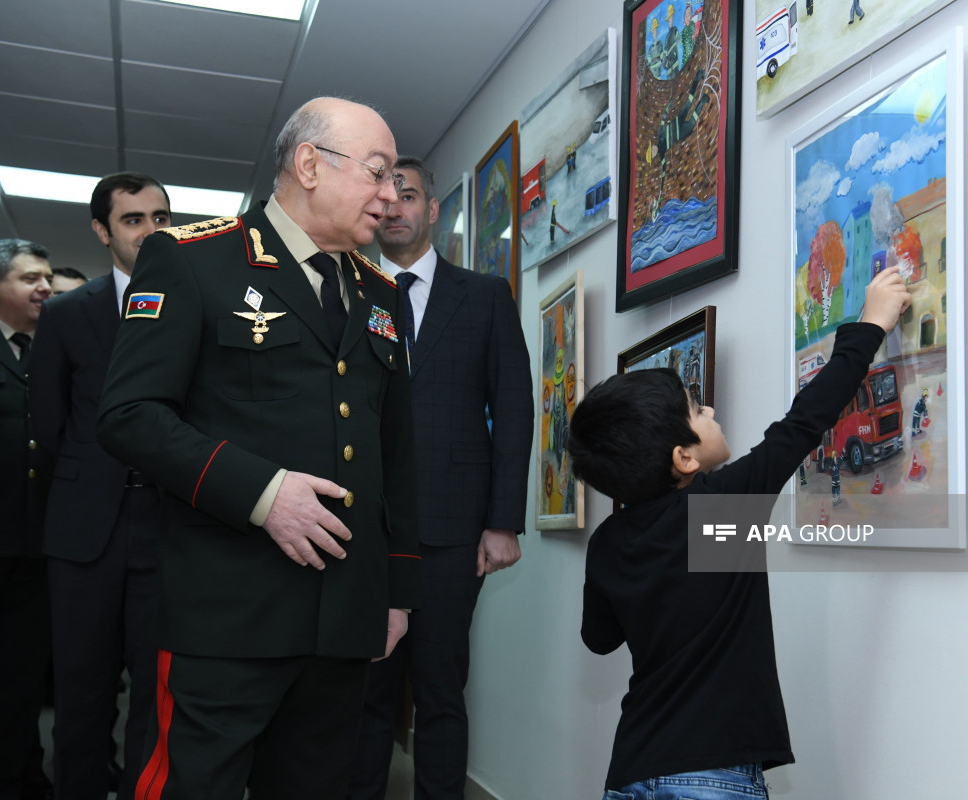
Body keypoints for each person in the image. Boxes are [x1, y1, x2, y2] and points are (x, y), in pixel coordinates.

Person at [95, 97, 421, 799]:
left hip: (342, 616)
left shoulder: (381, 294)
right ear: (309, 164)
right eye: (377, 172)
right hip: (225, 612)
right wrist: (265, 494)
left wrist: (395, 595)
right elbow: (128, 415)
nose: (392, 196)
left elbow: (397, 454)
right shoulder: (193, 261)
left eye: (394, 179)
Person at [568, 267, 911, 800]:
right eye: (694, 408)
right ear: (683, 457)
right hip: (715, 774)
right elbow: (804, 423)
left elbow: (600, 639)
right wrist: (871, 322)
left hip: (632, 769)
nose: (708, 409)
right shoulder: (717, 511)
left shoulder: (609, 542)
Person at [348, 157, 533, 800]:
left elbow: (513, 408)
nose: (393, 205)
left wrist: (503, 521)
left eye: (408, 194)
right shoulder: (346, 291)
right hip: (361, 527)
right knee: (364, 690)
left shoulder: (483, 296)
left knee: (440, 689)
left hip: (454, 528)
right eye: (382, 194)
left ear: (432, 209)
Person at [29, 172, 173, 800]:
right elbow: (50, 424)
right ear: (102, 231)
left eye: (161, 218)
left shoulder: (191, 305)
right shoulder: (66, 313)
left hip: (170, 528)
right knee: (82, 693)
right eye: (134, 219)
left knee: (157, 694)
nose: (150, 231)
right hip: (85, 527)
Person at [0, 238, 54, 798]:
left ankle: (0, 778)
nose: (44, 287)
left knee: (21, 674)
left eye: (46, 277)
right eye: (29, 278)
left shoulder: (54, 346)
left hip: (36, 540)